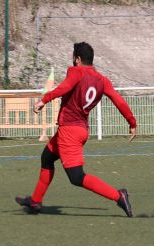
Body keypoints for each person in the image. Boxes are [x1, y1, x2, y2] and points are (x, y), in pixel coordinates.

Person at [15, 42, 137, 217]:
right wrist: (131, 122)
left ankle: (119, 196)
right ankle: (35, 202)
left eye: (73, 58)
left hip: (69, 131)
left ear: (78, 59)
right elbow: (118, 100)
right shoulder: (103, 80)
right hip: (80, 129)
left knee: (76, 177)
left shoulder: (76, 72)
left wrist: (44, 100)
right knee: (47, 158)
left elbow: (64, 87)